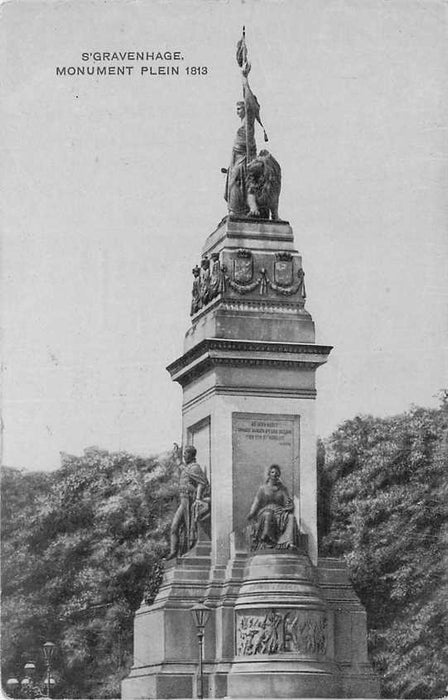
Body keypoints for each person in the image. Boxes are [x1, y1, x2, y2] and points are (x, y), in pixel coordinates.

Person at [224, 61, 258, 216]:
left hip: (246, 158)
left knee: (238, 177)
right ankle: (234, 210)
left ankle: (241, 209)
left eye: (240, 108)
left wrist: (245, 79)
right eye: (236, 109)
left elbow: (249, 100)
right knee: (232, 177)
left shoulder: (248, 121)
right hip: (237, 158)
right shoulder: (240, 124)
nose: (238, 111)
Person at [166, 445, 210, 560]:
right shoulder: (188, 467)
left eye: (186, 453)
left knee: (189, 526)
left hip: (190, 500)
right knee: (174, 526)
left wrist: (198, 498)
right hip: (183, 500)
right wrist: (176, 455)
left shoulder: (195, 467)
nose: (184, 455)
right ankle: (173, 552)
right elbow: (181, 467)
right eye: (184, 453)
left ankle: (188, 549)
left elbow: (202, 482)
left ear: (192, 455)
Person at [247, 464, 298, 550]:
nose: (274, 474)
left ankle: (287, 543)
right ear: (269, 474)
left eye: (277, 473)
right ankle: (269, 542)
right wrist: (251, 514)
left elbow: (287, 502)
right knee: (268, 514)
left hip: (280, 512)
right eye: (272, 472)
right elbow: (256, 503)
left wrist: (290, 506)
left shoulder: (282, 489)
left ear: (279, 475)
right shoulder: (263, 488)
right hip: (265, 511)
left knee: (290, 517)